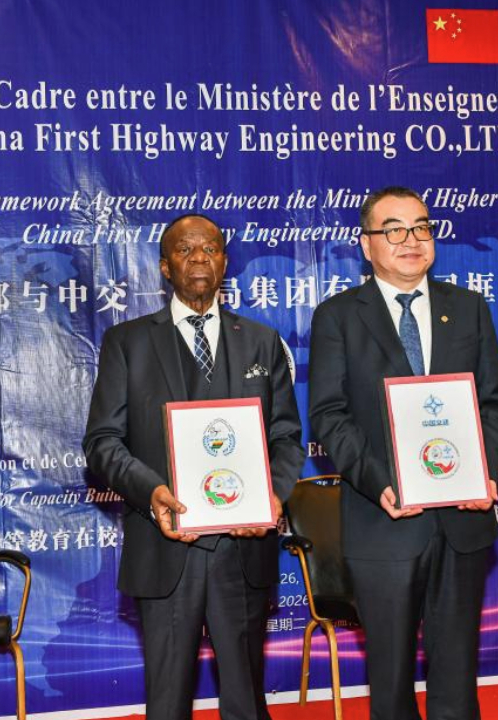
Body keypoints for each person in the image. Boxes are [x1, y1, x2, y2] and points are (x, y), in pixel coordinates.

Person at [83, 213, 305, 720]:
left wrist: (274, 495)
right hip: (164, 544)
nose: (199, 257)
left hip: (243, 548)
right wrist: (152, 491)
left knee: (246, 699)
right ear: (165, 267)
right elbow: (102, 442)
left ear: (225, 261)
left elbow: (286, 436)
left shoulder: (262, 342)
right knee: (167, 702)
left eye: (210, 248)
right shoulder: (128, 343)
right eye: (185, 250)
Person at [308, 187, 498, 720]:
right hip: (384, 519)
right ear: (367, 244)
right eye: (393, 229)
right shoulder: (338, 317)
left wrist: (484, 473)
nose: (411, 240)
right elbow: (330, 416)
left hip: (462, 521)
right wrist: (381, 483)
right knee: (392, 677)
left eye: (422, 227)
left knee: (455, 672)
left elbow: (495, 402)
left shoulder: (467, 308)